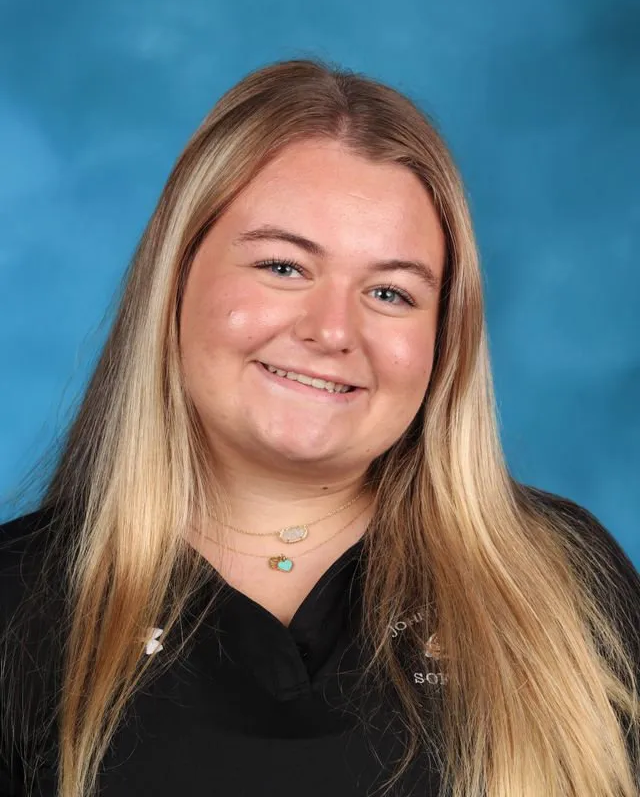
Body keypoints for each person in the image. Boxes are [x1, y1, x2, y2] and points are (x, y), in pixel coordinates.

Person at [0, 58, 638, 797]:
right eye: (283, 267)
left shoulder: (564, 583)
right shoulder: (19, 604)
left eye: (391, 292)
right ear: (174, 280)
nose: (334, 330)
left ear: (444, 339)